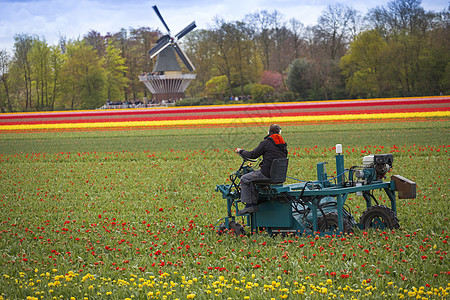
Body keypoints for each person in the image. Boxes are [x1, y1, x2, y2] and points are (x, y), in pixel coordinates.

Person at [234, 124, 288, 214]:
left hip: (266, 174)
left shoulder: (266, 143)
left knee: (244, 179)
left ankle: (249, 206)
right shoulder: (283, 145)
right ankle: (256, 200)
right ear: (279, 133)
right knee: (252, 181)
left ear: (269, 132)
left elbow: (252, 155)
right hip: (278, 176)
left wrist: (241, 151)